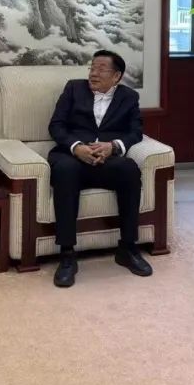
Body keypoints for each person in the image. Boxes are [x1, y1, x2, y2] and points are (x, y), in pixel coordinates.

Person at [47, 50, 150, 287]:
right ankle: (67, 254)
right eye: (92, 68)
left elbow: (135, 132)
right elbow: (56, 126)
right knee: (65, 170)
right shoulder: (73, 89)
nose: (94, 73)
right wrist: (76, 147)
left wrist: (113, 146)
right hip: (72, 157)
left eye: (101, 69)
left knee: (129, 170)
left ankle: (128, 248)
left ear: (116, 76)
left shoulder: (129, 97)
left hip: (106, 159)